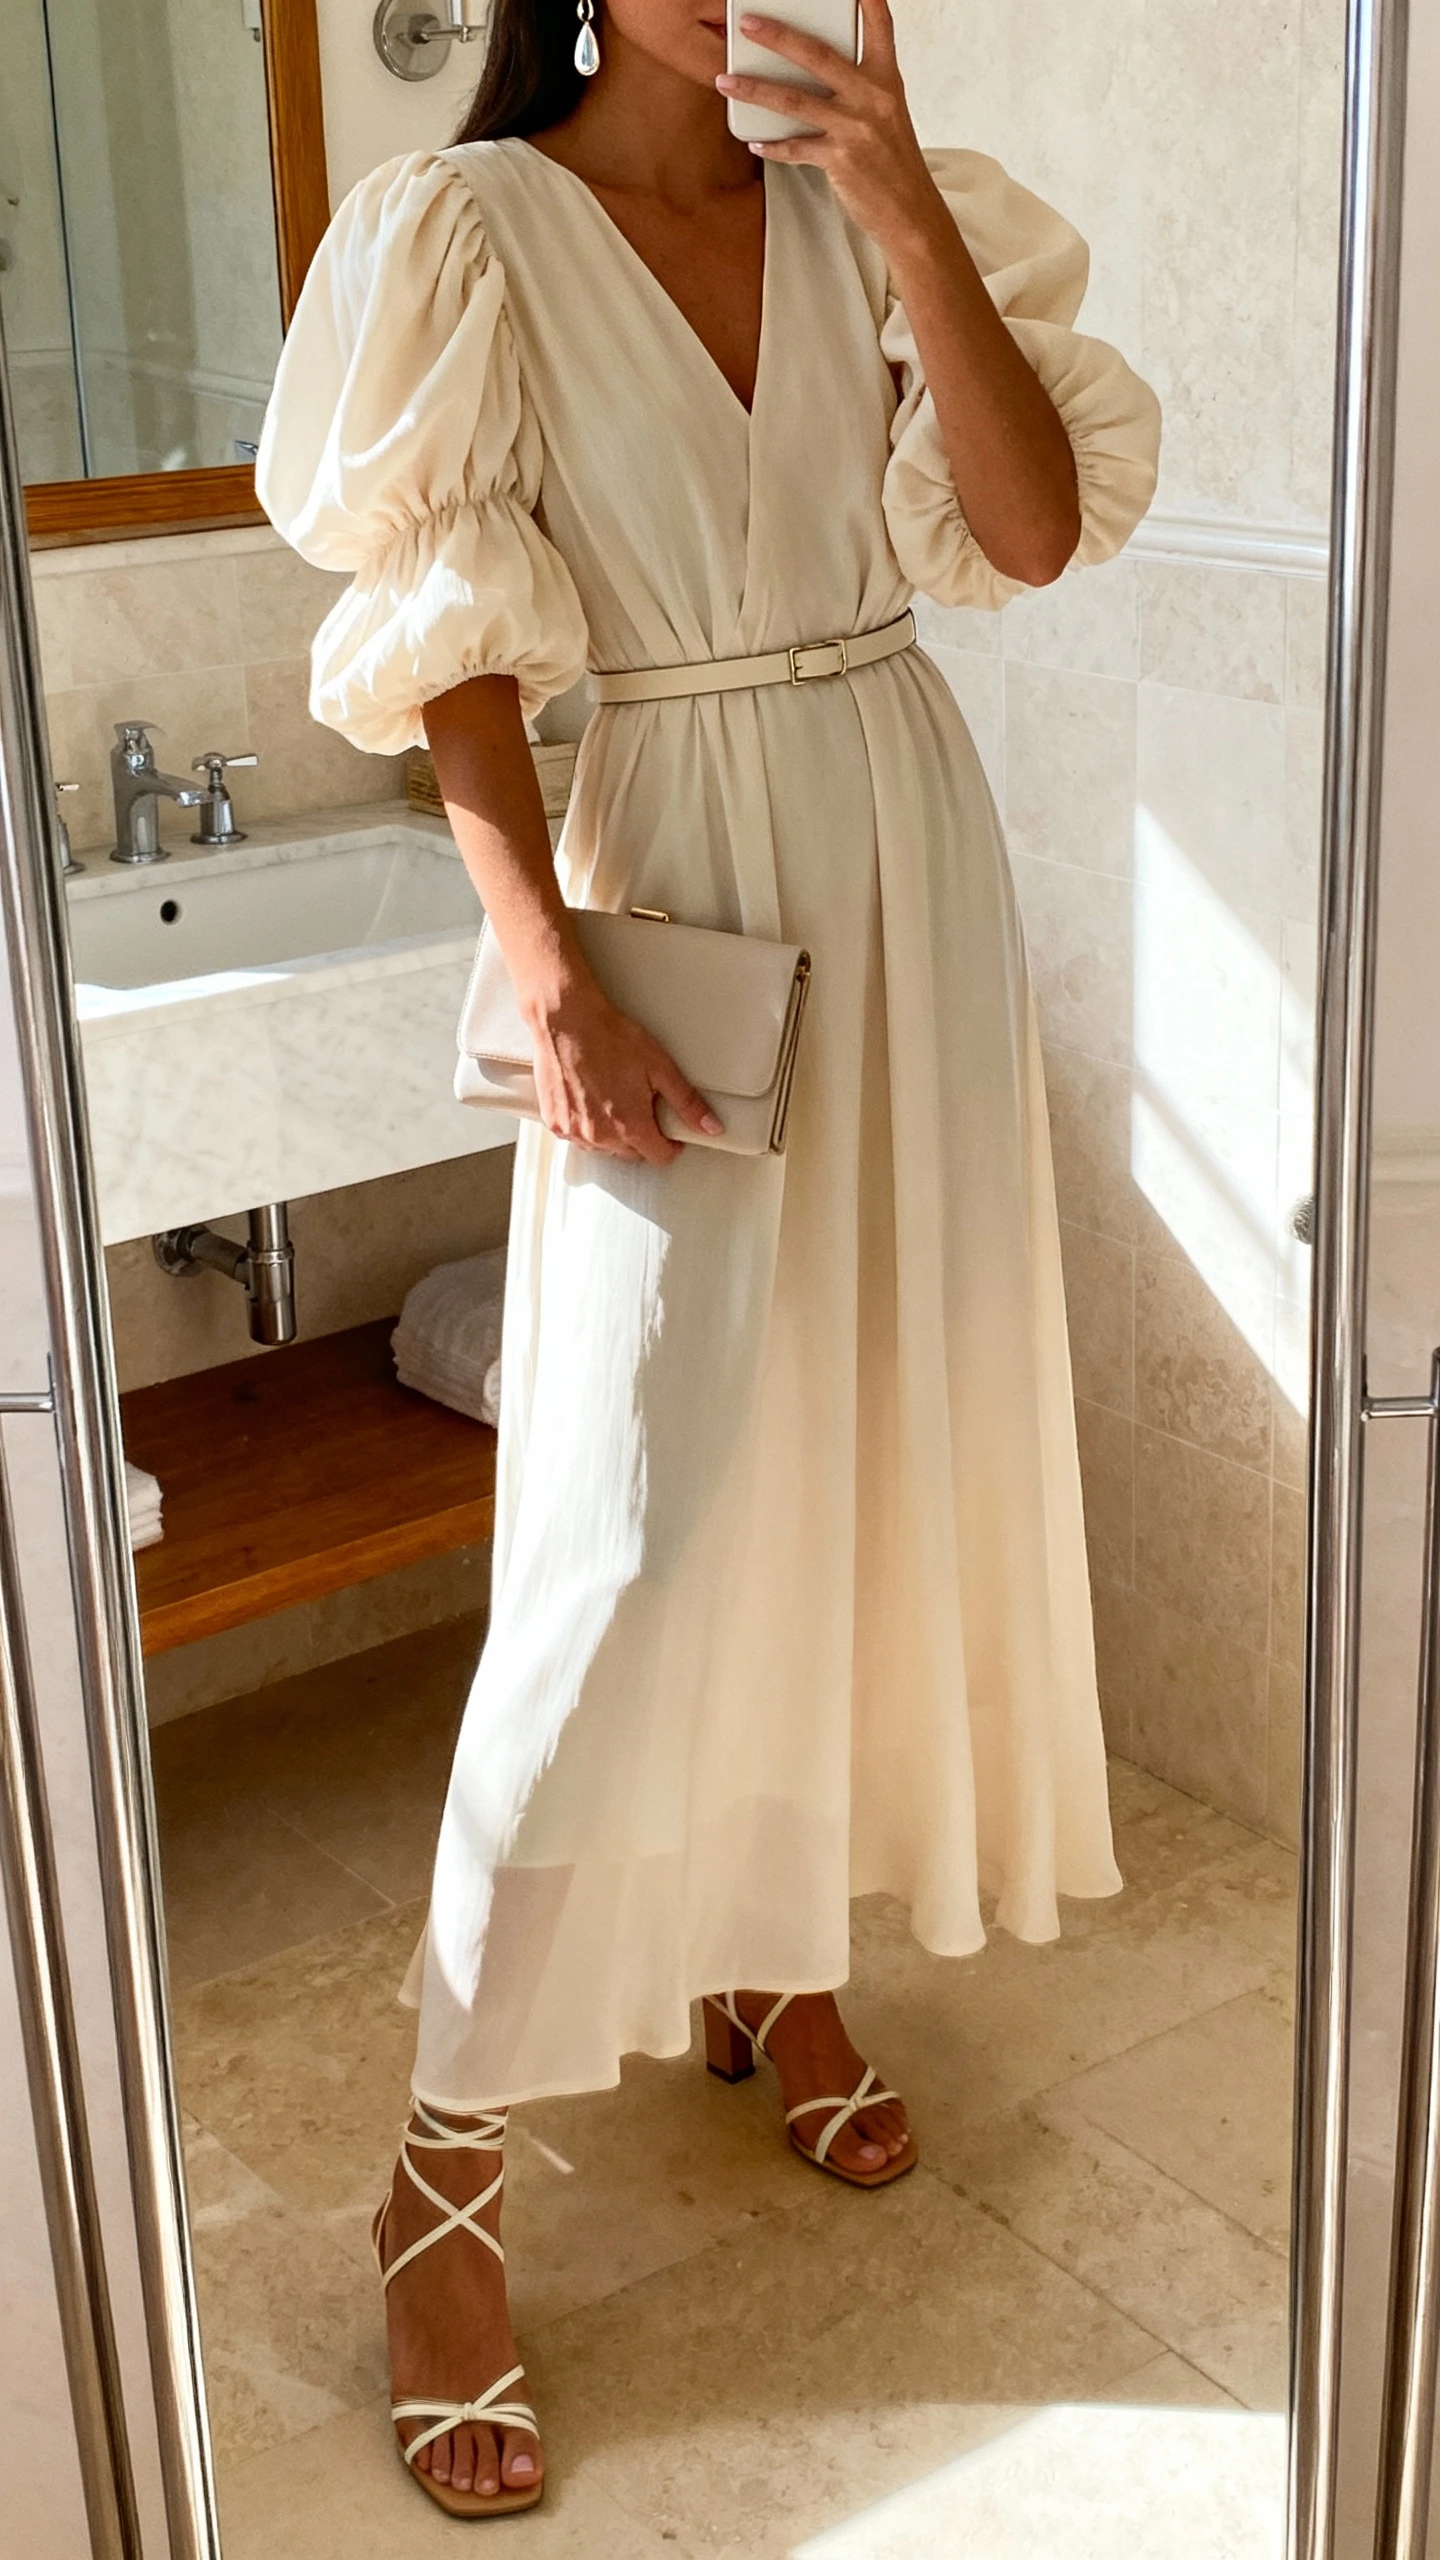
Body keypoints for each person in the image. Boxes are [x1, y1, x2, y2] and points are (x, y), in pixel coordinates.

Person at [257, 0, 1159, 2516]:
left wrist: (890, 200)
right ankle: (440, 2160)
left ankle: (774, 1948)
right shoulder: (465, 230)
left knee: (867, 1453)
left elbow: (1033, 526)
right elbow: (442, 630)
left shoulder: (886, 198)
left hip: (901, 839)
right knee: (622, 1541)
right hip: (664, 874)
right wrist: (536, 949)